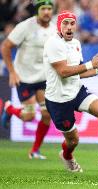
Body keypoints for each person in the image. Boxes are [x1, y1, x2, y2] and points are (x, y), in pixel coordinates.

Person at [43, 10, 98, 172]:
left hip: (77, 91)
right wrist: (90, 65)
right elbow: (64, 72)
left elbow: (78, 72)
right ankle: (66, 156)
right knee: (73, 141)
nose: (69, 27)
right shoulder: (53, 43)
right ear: (59, 25)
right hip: (59, 100)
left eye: (72, 23)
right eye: (65, 23)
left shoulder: (76, 43)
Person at [1, 0, 56, 160]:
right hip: (24, 78)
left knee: (47, 115)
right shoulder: (25, 26)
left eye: (49, 9)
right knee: (29, 116)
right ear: (37, 11)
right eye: (43, 9)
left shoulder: (54, 29)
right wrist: (11, 72)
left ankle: (35, 151)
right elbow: (5, 46)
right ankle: (10, 109)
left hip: (43, 78)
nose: (46, 12)